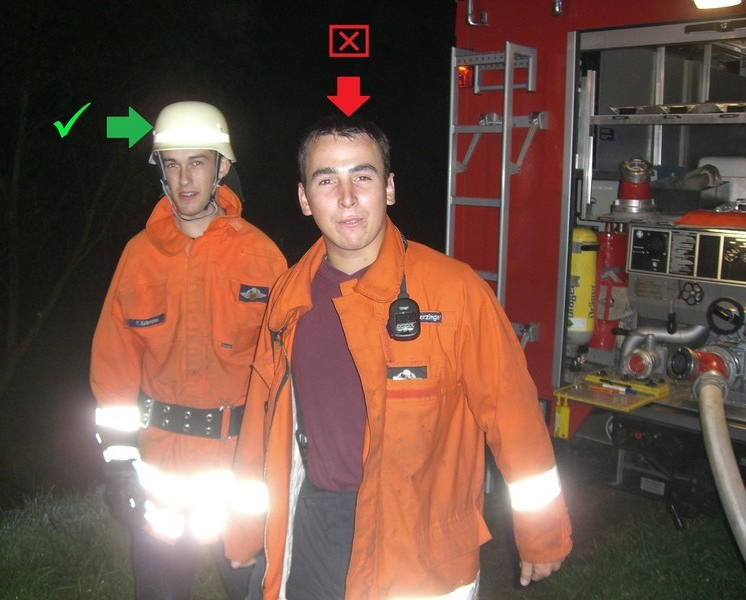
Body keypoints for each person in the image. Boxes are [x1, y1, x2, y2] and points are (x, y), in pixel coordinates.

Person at [225, 116, 572, 600]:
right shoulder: (289, 296)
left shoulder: (454, 292)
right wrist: (244, 530)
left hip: (419, 542)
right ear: (304, 198)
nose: (347, 198)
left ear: (389, 188)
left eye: (362, 176)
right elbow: (261, 428)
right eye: (326, 180)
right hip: (317, 530)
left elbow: (514, 419)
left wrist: (543, 531)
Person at [91, 100, 287, 600]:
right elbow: (113, 370)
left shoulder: (262, 257)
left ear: (221, 168)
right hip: (161, 480)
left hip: (240, 477)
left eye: (197, 162)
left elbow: (286, 372)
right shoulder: (138, 256)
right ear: (160, 169)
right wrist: (118, 463)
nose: (184, 179)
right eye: (172, 163)